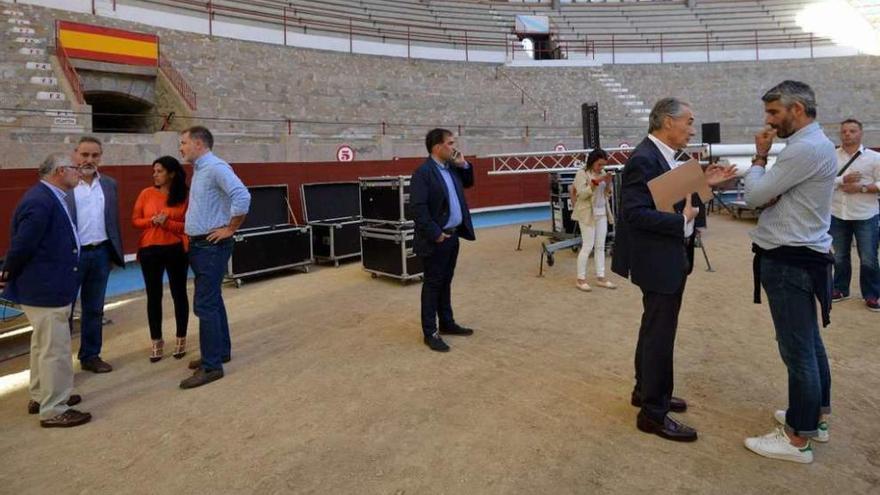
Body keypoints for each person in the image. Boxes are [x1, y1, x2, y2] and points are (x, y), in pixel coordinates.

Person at [611, 97, 735, 442]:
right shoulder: (644, 158)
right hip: (657, 259)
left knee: (654, 329)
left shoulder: (664, 156)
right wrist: (681, 221)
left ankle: (645, 391)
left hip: (666, 257)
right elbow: (634, 213)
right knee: (660, 335)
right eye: (689, 121)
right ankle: (653, 412)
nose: (693, 128)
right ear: (668, 122)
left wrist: (704, 183)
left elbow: (666, 195)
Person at [743, 80, 837, 464]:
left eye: (774, 113)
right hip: (802, 254)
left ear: (796, 109)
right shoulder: (814, 145)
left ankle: (798, 438)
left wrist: (759, 159)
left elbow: (753, 196)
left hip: (789, 258)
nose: (768, 121)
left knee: (797, 349)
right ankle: (815, 417)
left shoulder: (803, 148)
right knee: (810, 344)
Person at [0, 153, 91, 427]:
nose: (79, 172)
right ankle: (54, 408)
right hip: (46, 287)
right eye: (75, 168)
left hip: (45, 286)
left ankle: (42, 396)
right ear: (60, 171)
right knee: (55, 349)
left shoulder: (46, 197)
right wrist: (7, 273)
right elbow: (23, 244)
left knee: (43, 345)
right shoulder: (41, 201)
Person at [179, 126, 250, 388]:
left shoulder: (216, 167)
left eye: (184, 142)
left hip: (210, 246)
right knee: (213, 301)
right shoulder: (200, 169)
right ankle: (219, 352)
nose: (181, 147)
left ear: (199, 144)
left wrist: (230, 228)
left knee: (205, 305)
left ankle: (212, 366)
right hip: (202, 245)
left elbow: (242, 195)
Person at [411, 128, 476, 352]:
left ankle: (446, 323)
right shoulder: (423, 173)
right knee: (433, 284)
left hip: (452, 235)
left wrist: (464, 164)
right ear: (437, 147)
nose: (454, 147)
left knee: (445, 281)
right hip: (436, 239)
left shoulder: (452, 168)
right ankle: (430, 331)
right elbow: (418, 209)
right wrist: (436, 233)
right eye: (450, 143)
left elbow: (468, 182)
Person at [66, 136, 125, 374]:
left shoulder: (109, 184)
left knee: (95, 308)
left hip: (100, 254)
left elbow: (112, 221)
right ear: (75, 155)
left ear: (101, 157)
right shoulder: (64, 184)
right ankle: (60, 364)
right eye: (84, 155)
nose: (89, 160)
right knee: (64, 312)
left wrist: (112, 253)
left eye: (95, 155)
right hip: (71, 257)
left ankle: (91, 356)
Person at [132, 156, 191, 362]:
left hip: (175, 248)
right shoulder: (146, 193)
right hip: (150, 249)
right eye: (154, 171)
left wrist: (168, 223)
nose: (155, 175)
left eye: (159, 171)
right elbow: (135, 221)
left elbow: (187, 226)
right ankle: (156, 341)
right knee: (153, 296)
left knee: (179, 293)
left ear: (171, 173)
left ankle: (181, 338)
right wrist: (152, 221)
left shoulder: (184, 196)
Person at [829, 118, 880, 311]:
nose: (848, 134)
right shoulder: (831, 156)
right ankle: (840, 289)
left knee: (868, 257)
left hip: (865, 215)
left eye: (852, 131)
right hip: (837, 213)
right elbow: (821, 181)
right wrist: (841, 180)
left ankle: (872, 294)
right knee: (839, 256)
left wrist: (862, 188)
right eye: (844, 131)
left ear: (861, 133)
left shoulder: (874, 158)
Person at [571, 148, 616, 291]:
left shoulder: (602, 173)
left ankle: (601, 277)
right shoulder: (582, 173)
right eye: (599, 165)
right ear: (592, 162)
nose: (601, 168)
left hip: (602, 212)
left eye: (603, 165)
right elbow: (582, 194)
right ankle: (580, 279)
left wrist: (608, 182)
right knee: (587, 246)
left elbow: (608, 193)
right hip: (587, 214)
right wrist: (596, 182)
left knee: (600, 246)